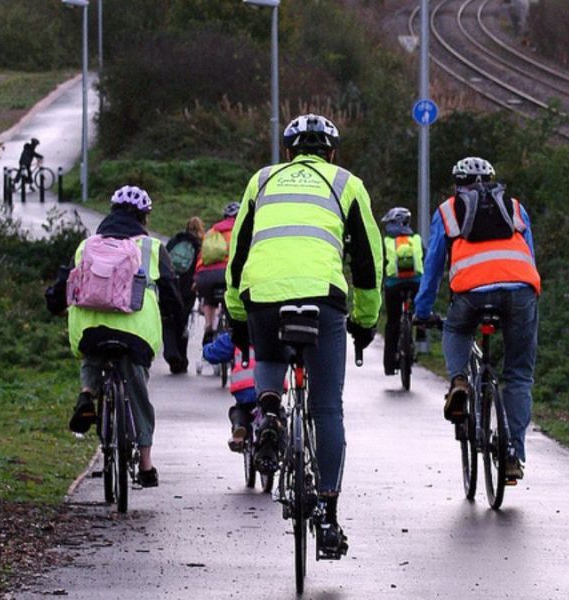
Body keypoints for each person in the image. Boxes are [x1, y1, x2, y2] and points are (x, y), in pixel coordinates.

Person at [225, 113, 383, 557]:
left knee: (271, 355)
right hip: (323, 298)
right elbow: (369, 263)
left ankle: (270, 410)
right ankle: (329, 519)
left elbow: (239, 253)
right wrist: (366, 322)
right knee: (327, 407)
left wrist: (239, 313)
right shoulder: (346, 183)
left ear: (288, 153)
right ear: (332, 154)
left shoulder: (262, 181)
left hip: (264, 294)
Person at [414, 156, 540, 483]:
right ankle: (513, 453)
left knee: (456, 329)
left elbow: (433, 267)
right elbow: (529, 256)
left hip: (471, 292)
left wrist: (423, 310)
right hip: (520, 289)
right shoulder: (514, 207)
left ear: (456, 184)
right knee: (518, 374)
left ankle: (458, 381)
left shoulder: (447, 210)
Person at [49, 185, 183, 488]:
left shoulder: (87, 246)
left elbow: (63, 285)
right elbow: (173, 296)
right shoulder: (152, 248)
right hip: (136, 334)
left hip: (90, 329)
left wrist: (55, 305)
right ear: (144, 217)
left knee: (92, 352)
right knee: (137, 390)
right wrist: (174, 316)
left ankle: (87, 393)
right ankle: (146, 465)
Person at [202, 332, 287, 451]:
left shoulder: (235, 335)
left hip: (244, 388)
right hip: (270, 387)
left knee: (240, 410)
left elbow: (213, 354)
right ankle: (281, 440)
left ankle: (239, 425)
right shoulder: (275, 331)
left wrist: (206, 346)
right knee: (277, 412)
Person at [380, 207, 424, 376]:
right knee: (420, 310)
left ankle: (390, 365)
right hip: (415, 283)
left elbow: (381, 264)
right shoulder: (416, 239)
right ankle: (421, 335)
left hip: (393, 285)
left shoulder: (386, 241)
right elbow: (425, 259)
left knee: (392, 322)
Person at [162, 216, 205, 374]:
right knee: (182, 323)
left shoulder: (175, 241)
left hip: (171, 285)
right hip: (188, 289)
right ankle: (181, 359)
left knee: (168, 320)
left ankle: (171, 354)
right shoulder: (199, 246)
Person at [195, 203, 239, 346]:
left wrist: (196, 280)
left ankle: (209, 326)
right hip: (229, 274)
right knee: (235, 297)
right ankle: (234, 327)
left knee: (209, 298)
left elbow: (201, 257)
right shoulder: (242, 229)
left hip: (205, 276)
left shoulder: (212, 231)